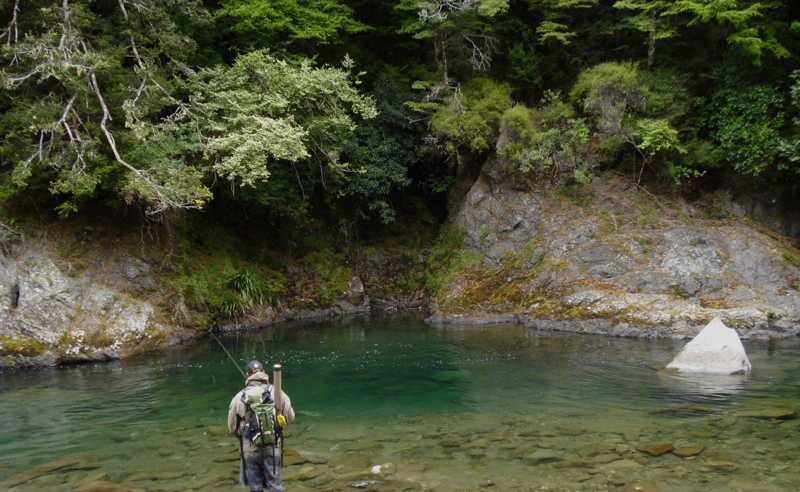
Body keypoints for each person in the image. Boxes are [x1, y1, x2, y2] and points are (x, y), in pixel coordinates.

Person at [228, 360, 295, 492]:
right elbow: (290, 418)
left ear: (247, 375)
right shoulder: (277, 392)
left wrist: (245, 434)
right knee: (275, 486)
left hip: (249, 447)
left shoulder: (239, 396)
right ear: (264, 373)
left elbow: (231, 428)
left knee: (255, 487)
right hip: (272, 445)